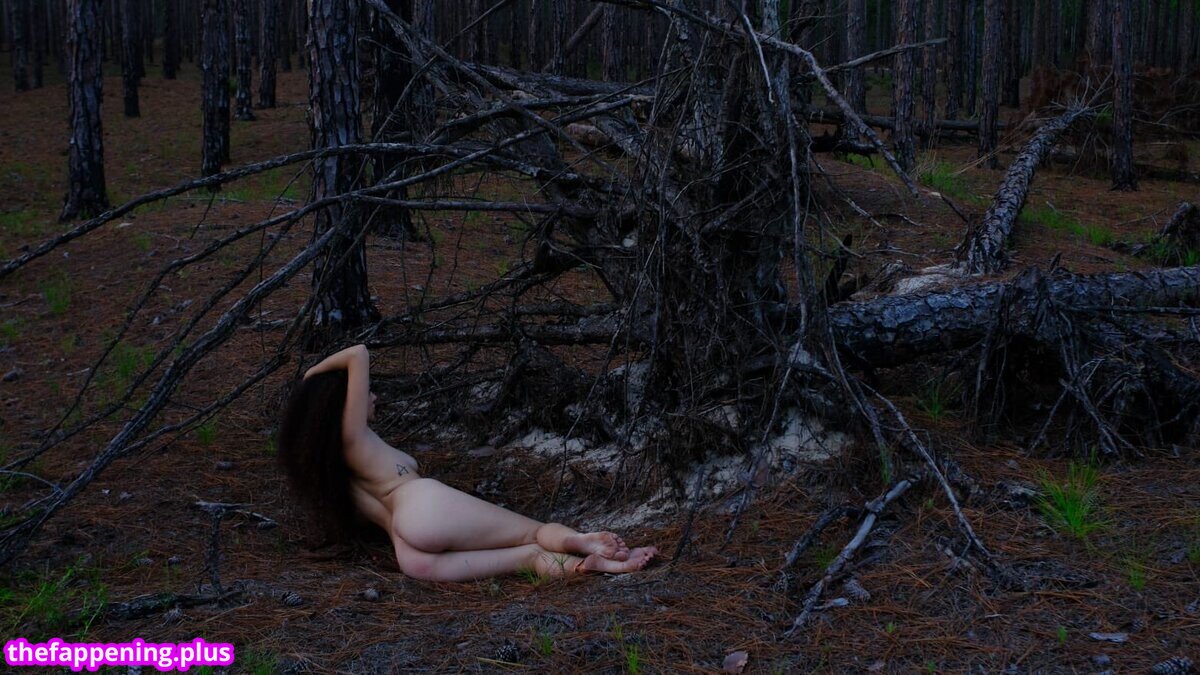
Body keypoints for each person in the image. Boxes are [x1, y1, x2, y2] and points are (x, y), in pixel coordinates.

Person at [277, 344, 657, 582]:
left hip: (411, 557)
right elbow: (358, 353)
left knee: (529, 558)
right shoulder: (354, 438)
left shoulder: (333, 473)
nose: (373, 396)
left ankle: (595, 567)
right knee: (533, 533)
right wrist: (313, 376)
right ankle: (580, 540)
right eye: (365, 392)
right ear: (342, 406)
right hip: (422, 508)